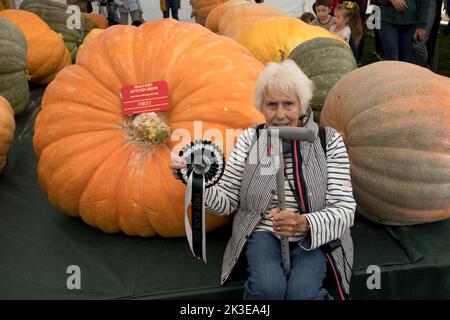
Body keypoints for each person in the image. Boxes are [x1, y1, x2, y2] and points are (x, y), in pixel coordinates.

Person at [171, 59, 356, 300]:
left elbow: (345, 209)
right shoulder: (251, 139)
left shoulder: (328, 140)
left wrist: (304, 223)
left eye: (288, 104)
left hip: (314, 236)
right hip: (263, 233)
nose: (280, 115)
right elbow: (226, 201)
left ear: (302, 105)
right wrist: (193, 178)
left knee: (302, 294)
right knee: (268, 289)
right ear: (261, 106)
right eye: (272, 105)